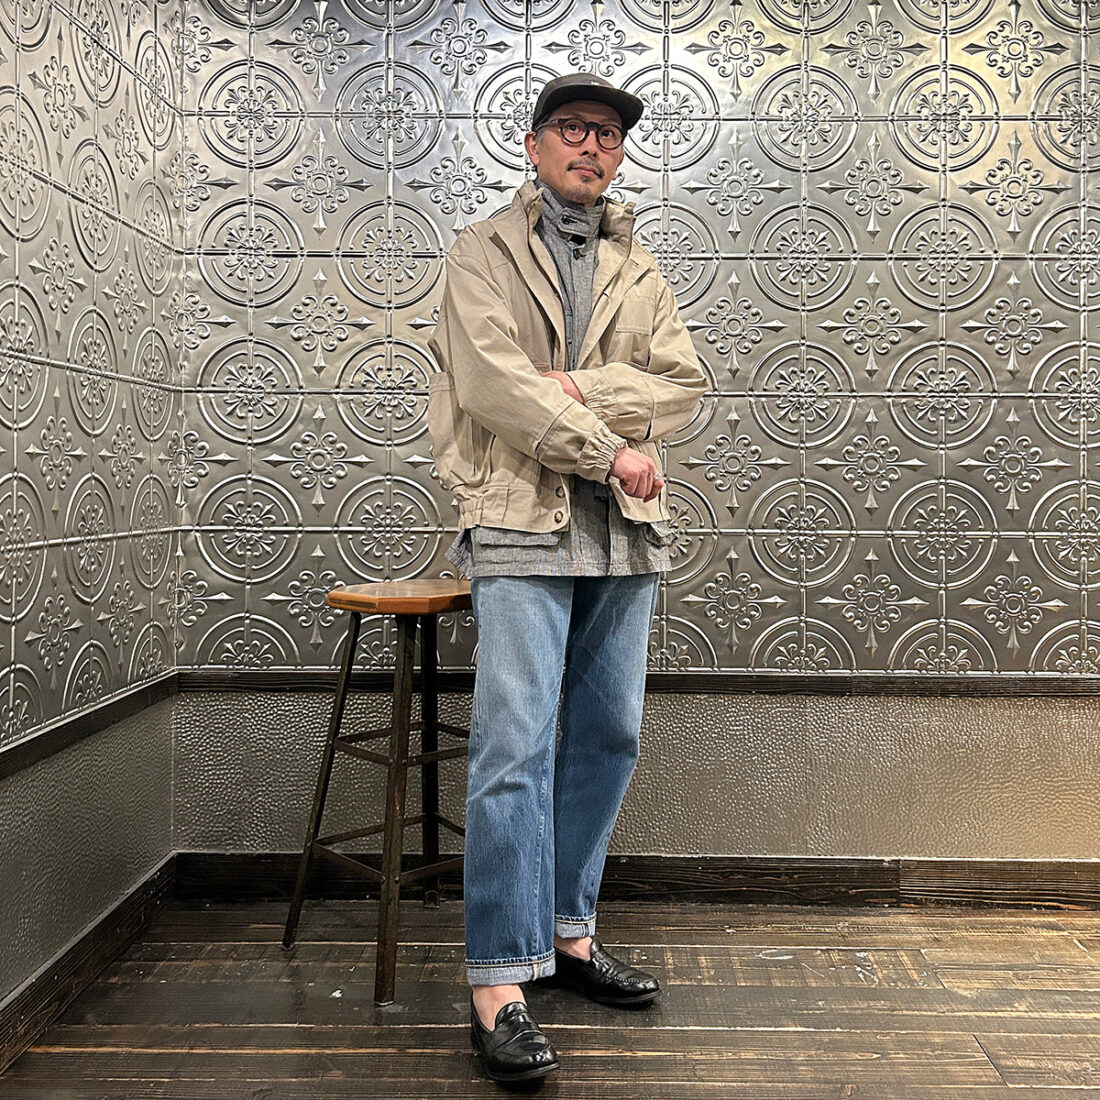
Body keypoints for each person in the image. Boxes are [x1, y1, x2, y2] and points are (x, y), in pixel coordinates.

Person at [427, 71, 707, 1084]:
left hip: (623, 532)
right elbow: (492, 383)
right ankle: (499, 980)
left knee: (608, 735)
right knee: (512, 747)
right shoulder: (481, 251)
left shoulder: (639, 263)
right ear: (535, 143)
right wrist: (608, 444)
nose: (594, 147)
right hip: (517, 521)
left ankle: (568, 932)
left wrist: (580, 387)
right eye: (575, 129)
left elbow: (684, 387)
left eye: (609, 136)